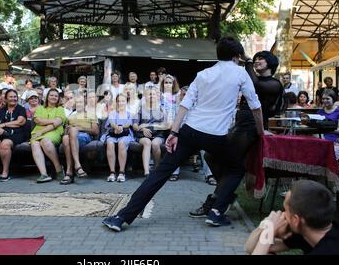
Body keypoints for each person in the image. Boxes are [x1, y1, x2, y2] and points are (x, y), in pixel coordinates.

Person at [102, 36, 264, 232]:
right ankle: (217, 212)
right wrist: (261, 132)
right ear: (237, 56)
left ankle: (121, 217)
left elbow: (185, 105)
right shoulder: (240, 74)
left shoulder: (204, 73)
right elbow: (255, 106)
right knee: (237, 169)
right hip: (216, 135)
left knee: (160, 173)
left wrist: (174, 132)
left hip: (189, 130)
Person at [191, 50, 283, 221]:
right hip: (240, 124)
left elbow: (255, 85)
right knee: (211, 156)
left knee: (229, 164)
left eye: (261, 59)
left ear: (270, 63)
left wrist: (247, 61)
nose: (257, 61)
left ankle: (216, 202)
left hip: (251, 127)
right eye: (256, 59)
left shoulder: (274, 84)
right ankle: (225, 196)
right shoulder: (252, 79)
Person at [245, 180, 339, 255]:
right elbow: (250, 248)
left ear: (296, 220)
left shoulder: (330, 250)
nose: (282, 214)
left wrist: (270, 230)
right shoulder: (319, 228)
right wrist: (266, 226)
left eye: (286, 210)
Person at [0, 89, 27, 181]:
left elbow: (19, 122)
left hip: (16, 133)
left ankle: (5, 172)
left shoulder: (21, 109)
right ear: (6, 99)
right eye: (11, 97)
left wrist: (3, 125)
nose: (13, 99)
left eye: (15, 97)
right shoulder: (2, 110)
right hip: (1, 133)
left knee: (5, 145)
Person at [60, 95, 99, 184]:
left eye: (81, 102)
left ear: (85, 103)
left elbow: (95, 131)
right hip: (70, 138)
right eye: (77, 102)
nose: (78, 104)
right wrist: (67, 130)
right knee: (66, 138)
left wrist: (79, 128)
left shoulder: (91, 115)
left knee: (72, 131)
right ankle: (73, 170)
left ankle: (71, 170)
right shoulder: (70, 116)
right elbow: (65, 133)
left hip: (84, 137)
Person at [30, 88, 66, 183]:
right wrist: (53, 121)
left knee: (45, 141)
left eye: (56, 96)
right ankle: (44, 174)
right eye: (51, 95)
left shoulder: (60, 109)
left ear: (58, 98)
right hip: (37, 132)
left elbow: (57, 123)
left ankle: (58, 168)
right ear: (47, 97)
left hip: (54, 132)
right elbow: (37, 120)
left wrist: (42, 129)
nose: (53, 97)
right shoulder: (40, 108)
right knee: (34, 144)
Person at [133, 88, 170, 177]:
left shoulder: (162, 109)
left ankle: (157, 169)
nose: (151, 96)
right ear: (145, 97)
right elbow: (135, 126)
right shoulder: (140, 109)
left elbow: (167, 125)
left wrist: (150, 126)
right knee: (147, 142)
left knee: (155, 144)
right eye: (149, 94)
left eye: (153, 94)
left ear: (157, 96)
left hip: (158, 134)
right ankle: (147, 172)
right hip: (143, 134)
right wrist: (142, 129)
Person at [101, 94, 135, 183]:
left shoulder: (129, 114)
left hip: (125, 134)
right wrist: (116, 127)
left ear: (126, 102)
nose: (121, 103)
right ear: (116, 102)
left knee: (122, 143)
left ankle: (121, 172)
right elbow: (111, 122)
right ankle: (112, 172)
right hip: (113, 134)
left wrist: (121, 128)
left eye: (123, 101)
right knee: (110, 143)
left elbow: (128, 124)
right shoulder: (112, 113)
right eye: (119, 101)